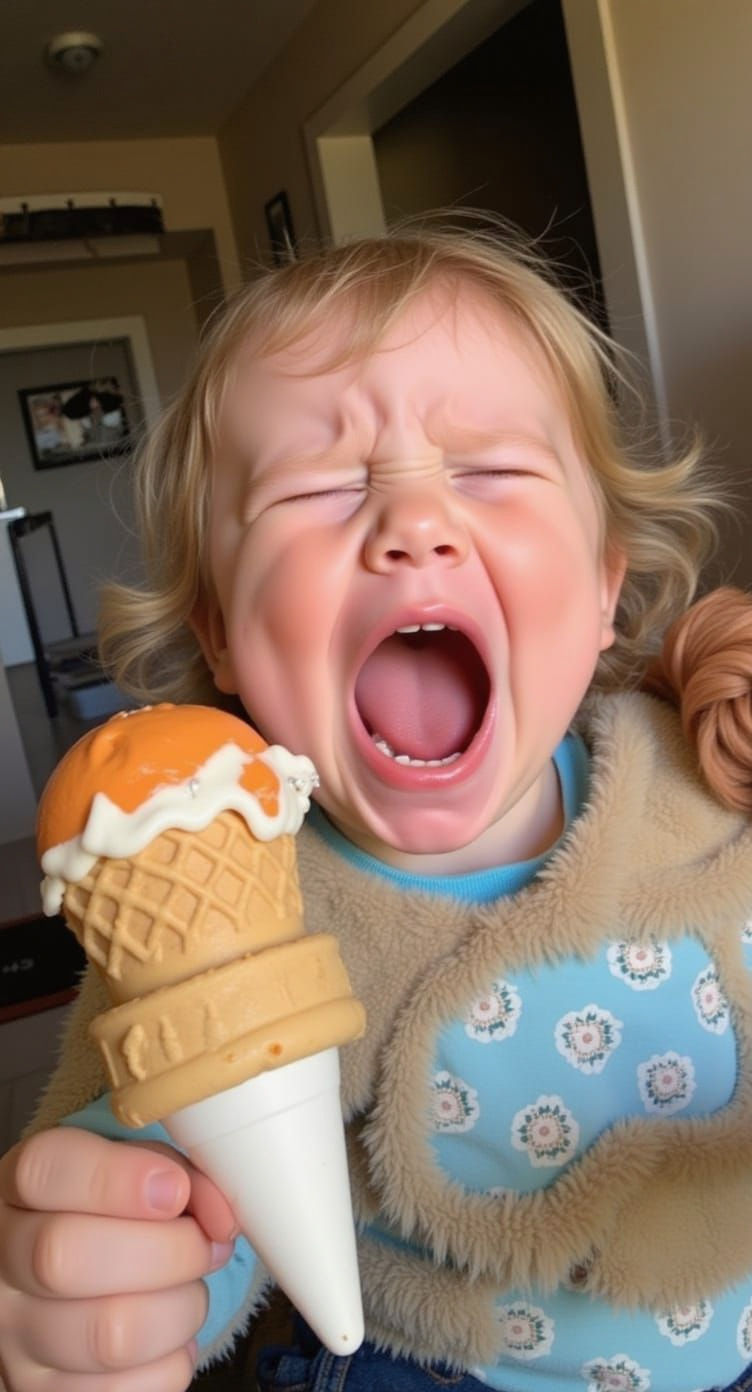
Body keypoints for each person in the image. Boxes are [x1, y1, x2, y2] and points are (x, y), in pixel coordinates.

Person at [2, 219, 752, 1392]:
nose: (412, 524)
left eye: (492, 470)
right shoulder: (234, 895)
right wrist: (102, 1291)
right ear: (220, 632)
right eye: (318, 486)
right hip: (428, 1365)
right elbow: (183, 1199)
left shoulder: (705, 789)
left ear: (606, 586)